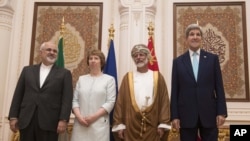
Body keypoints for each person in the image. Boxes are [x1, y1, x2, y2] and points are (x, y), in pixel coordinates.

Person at [170, 23, 228, 141]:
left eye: (198, 34)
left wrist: (221, 112)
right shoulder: (178, 62)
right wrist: (174, 115)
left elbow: (219, 87)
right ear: (186, 39)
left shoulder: (212, 59)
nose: (195, 37)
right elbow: (175, 90)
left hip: (209, 114)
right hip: (186, 115)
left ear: (201, 38)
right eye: (191, 34)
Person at [8, 41, 73, 141]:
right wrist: (13, 116)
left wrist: (63, 119)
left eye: (55, 51)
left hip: (50, 122)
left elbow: (67, 99)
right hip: (27, 120)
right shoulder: (27, 70)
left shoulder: (64, 73)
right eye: (49, 50)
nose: (52, 52)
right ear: (41, 52)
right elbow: (18, 94)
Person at [112, 44, 170, 141]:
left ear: (147, 56)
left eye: (141, 54)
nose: (138, 57)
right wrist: (119, 124)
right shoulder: (128, 78)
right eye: (135, 55)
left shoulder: (157, 77)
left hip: (152, 125)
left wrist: (163, 123)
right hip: (131, 125)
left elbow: (164, 101)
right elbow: (120, 103)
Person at [71, 49, 116, 141]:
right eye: (90, 58)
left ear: (101, 62)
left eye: (96, 58)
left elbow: (110, 102)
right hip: (80, 123)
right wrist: (79, 117)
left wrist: (93, 117)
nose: (93, 60)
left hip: (99, 124)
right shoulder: (81, 79)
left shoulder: (109, 80)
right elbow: (75, 100)